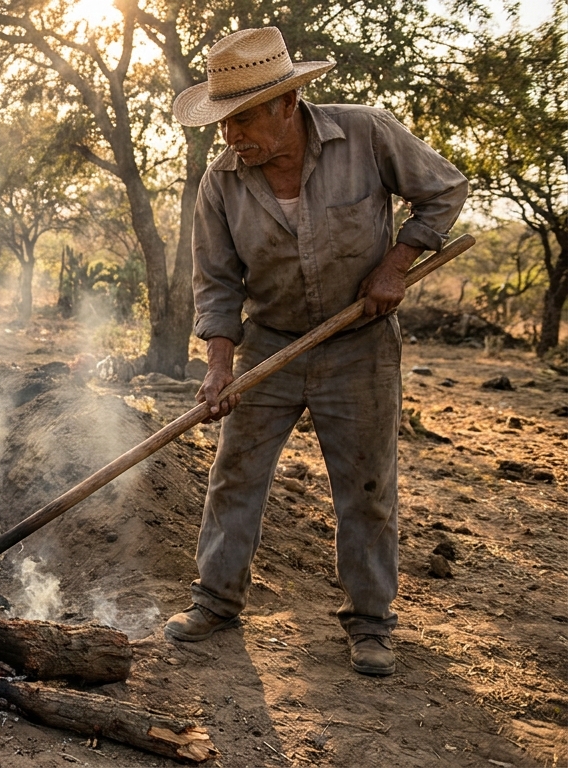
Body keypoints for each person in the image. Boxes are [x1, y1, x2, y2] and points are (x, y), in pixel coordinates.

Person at [163, 26, 467, 676]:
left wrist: (396, 263)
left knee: (365, 487)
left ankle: (370, 622)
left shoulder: (367, 134)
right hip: (271, 343)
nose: (232, 135)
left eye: (243, 118)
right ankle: (215, 601)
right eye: (222, 122)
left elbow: (444, 190)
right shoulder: (222, 183)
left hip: (357, 344)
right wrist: (219, 367)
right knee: (235, 474)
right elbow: (216, 283)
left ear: (287, 105)